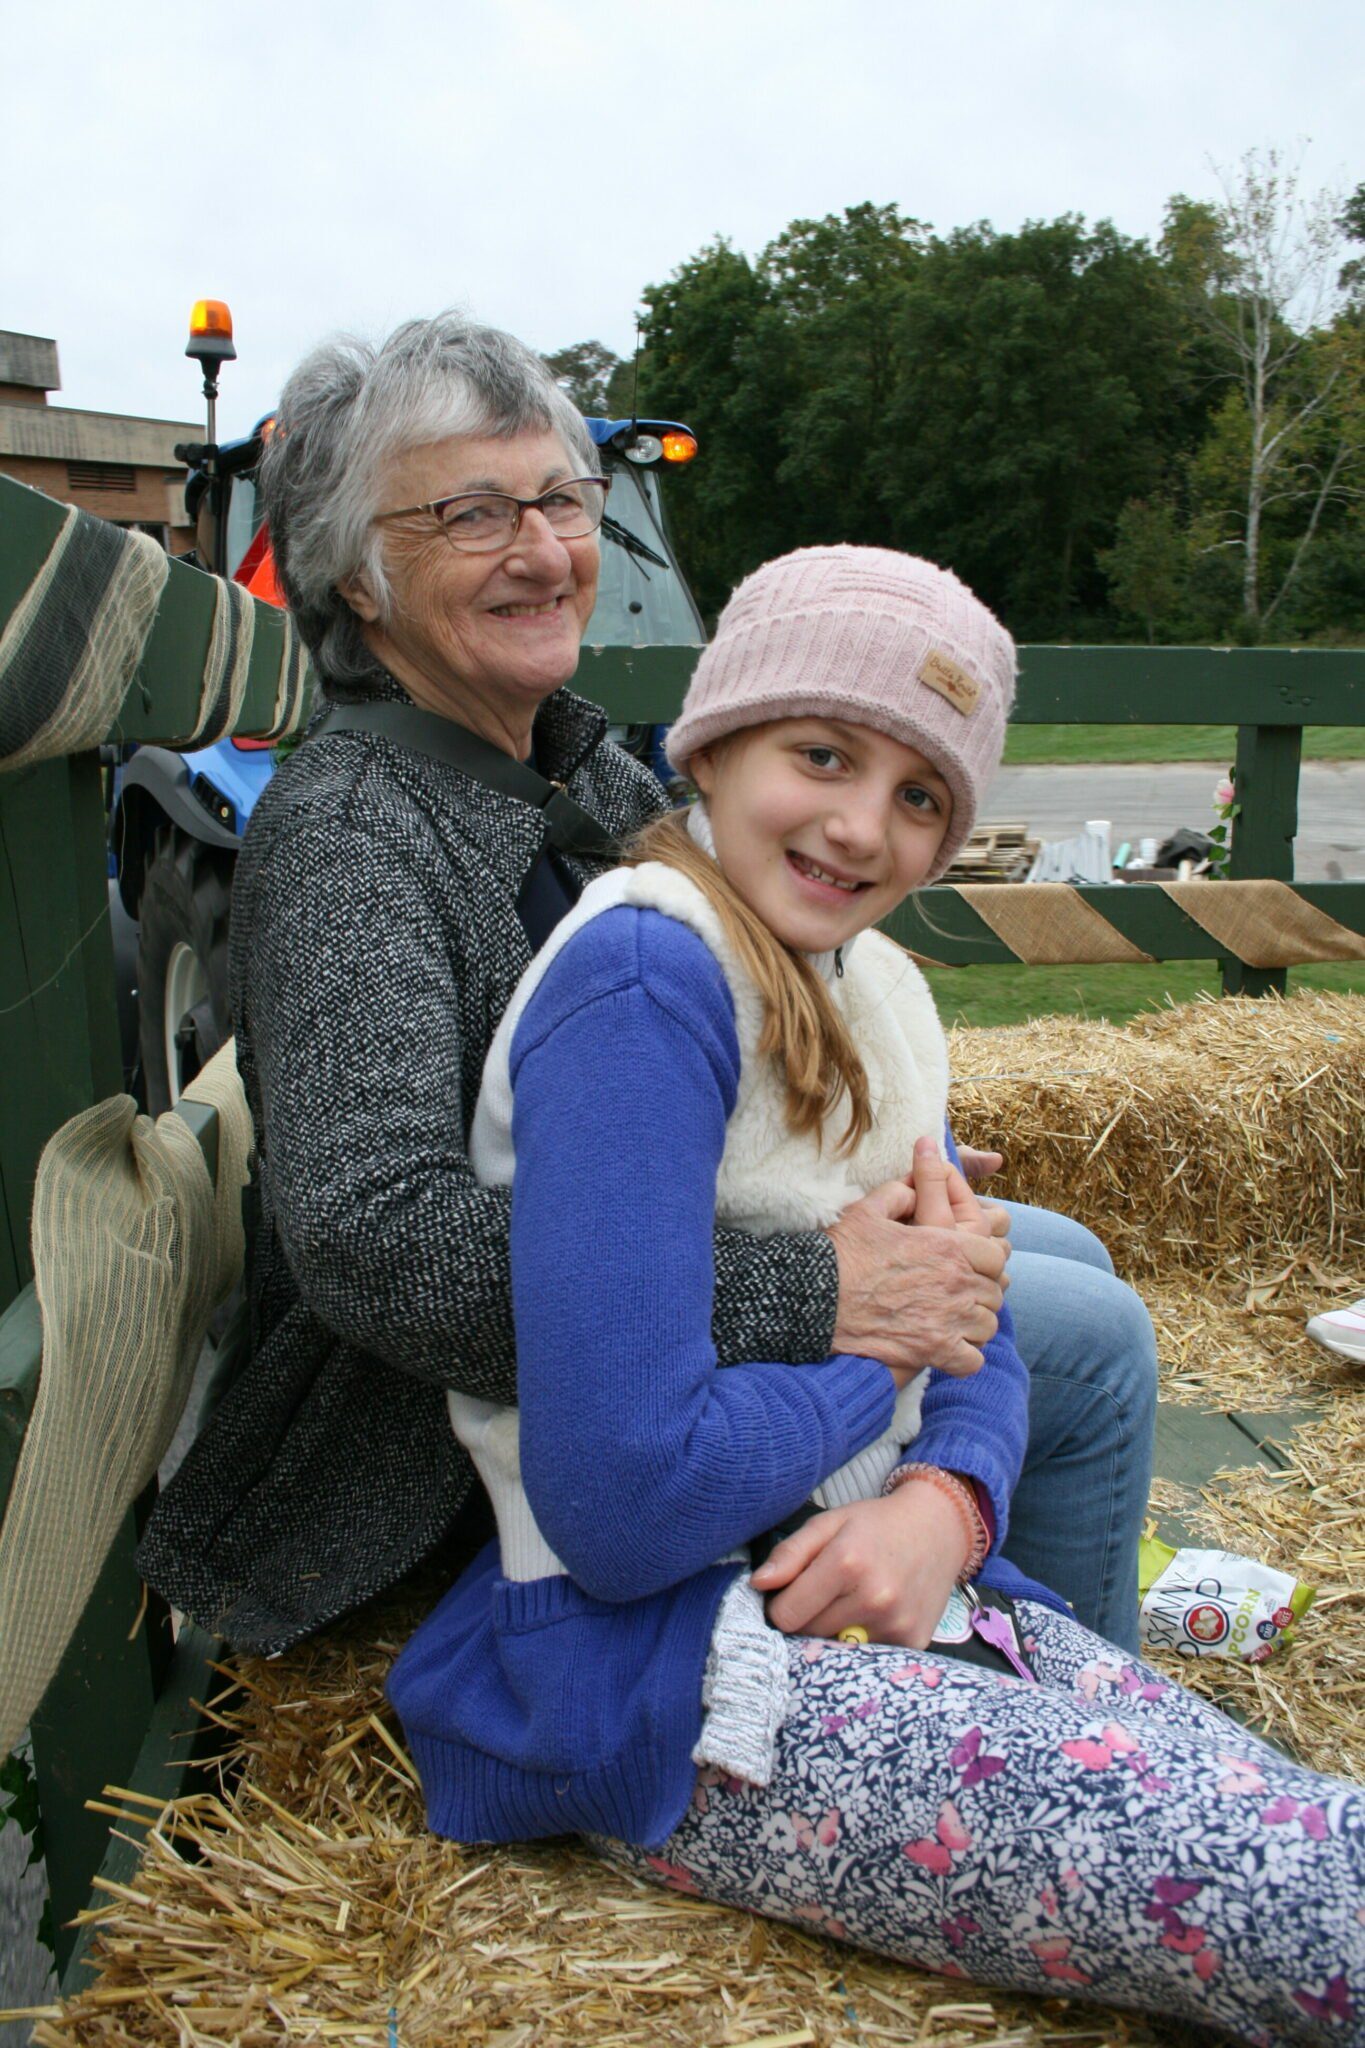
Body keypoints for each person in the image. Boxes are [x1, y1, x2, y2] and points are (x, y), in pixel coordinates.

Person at [390, 549, 1365, 2045]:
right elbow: (620, 1501)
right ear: (712, 744)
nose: (861, 826)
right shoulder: (646, 989)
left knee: (1302, 1829)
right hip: (666, 1664)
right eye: (823, 754)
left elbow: (965, 1306)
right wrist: (879, 1350)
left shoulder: (868, 982)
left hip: (888, 1598)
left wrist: (949, 1508)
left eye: (921, 796)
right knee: (1307, 1896)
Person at [138, 310, 1150, 1664]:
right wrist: (810, 1289)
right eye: (473, 511)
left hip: (658, 1286)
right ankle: (1048, 1689)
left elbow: (760, 1004)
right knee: (1077, 1330)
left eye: (560, 498)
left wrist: (880, 1163)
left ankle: (942, 1589)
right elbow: (379, 1248)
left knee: (1046, 1254)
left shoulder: (582, 768)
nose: (547, 551)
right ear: (357, 577)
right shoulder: (348, 832)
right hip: (440, 1456)